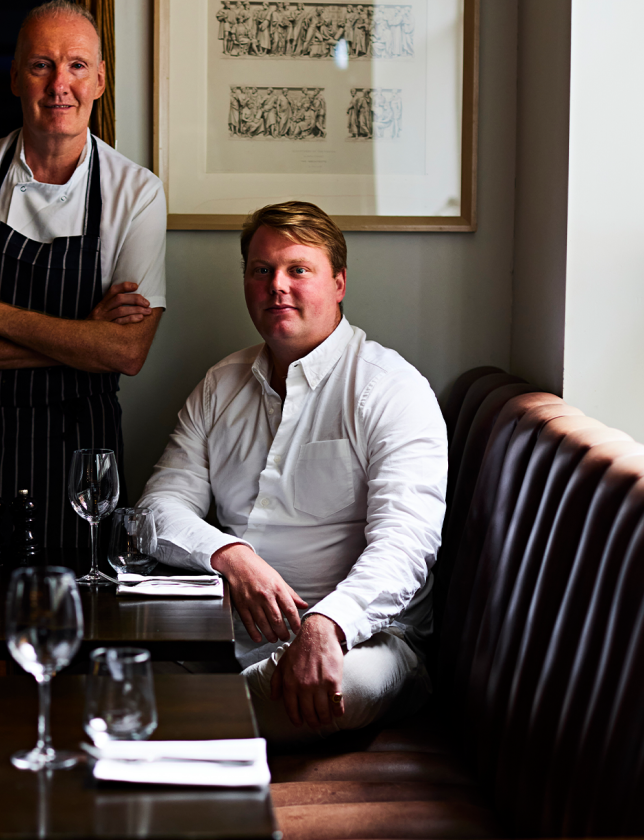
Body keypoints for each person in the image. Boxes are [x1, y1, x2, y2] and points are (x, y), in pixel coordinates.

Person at [137, 202, 446, 744]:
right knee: (113, 663)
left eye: (298, 269)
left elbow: (406, 543)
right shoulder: (220, 384)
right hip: (230, 633)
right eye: (261, 270)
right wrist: (230, 556)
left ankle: (172, 726)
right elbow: (158, 507)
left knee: (328, 685)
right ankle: (183, 726)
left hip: (362, 643)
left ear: (339, 283)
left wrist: (328, 623)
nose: (277, 286)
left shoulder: (391, 388)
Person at [0, 0, 166, 547]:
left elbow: (127, 352)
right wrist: (84, 338)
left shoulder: (137, 192)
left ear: (100, 80)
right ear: (15, 78)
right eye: (40, 65)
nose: (59, 85)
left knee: (81, 594)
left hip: (81, 453)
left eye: (77, 65)